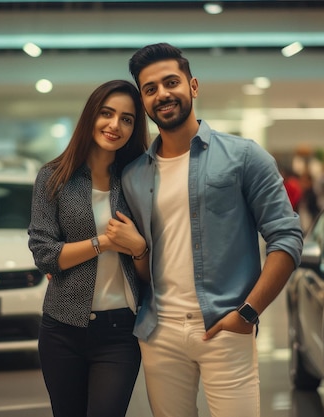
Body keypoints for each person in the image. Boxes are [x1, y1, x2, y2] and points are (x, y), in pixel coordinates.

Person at [122, 43, 303, 417]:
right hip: (159, 331)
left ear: (193, 86)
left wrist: (248, 313)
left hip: (226, 325)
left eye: (171, 82)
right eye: (150, 89)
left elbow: (286, 238)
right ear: (143, 100)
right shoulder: (133, 174)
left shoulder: (244, 156)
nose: (162, 94)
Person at [27, 79, 150, 417]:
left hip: (120, 331)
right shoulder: (53, 177)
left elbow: (150, 269)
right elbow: (45, 255)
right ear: (90, 116)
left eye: (127, 119)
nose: (115, 125)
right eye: (107, 113)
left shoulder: (138, 180)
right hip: (62, 328)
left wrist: (138, 247)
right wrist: (104, 243)